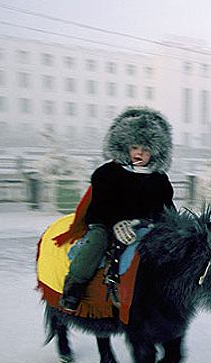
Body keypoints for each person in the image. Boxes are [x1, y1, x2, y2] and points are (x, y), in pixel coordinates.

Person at [59, 107, 175, 313]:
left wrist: (168, 226)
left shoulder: (159, 180)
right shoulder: (107, 174)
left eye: (146, 150)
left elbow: (166, 210)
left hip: (145, 228)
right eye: (136, 147)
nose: (139, 153)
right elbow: (98, 208)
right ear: (125, 147)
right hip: (107, 225)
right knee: (95, 243)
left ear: (155, 152)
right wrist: (114, 223)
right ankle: (74, 287)